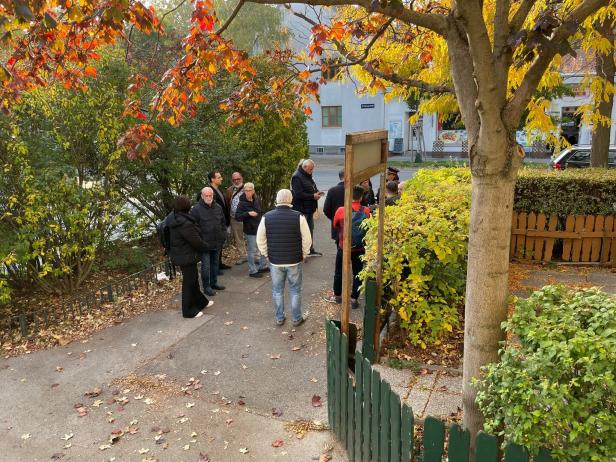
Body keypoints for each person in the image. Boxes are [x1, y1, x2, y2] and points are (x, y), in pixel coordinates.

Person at [257, 189, 312, 327]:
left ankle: (280, 318)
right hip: (294, 260)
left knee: (277, 290)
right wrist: (304, 254)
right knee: (295, 290)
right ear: (290, 199)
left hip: (275, 261)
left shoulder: (266, 217)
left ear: (277, 199)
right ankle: (296, 318)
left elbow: (260, 238)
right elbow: (307, 239)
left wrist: (266, 253)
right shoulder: (298, 216)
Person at [167, 195, 214, 318]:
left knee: (193, 280)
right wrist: (207, 246)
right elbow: (195, 241)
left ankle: (201, 302)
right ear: (186, 206)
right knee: (189, 282)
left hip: (182, 254)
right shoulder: (184, 223)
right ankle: (188, 311)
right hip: (186, 256)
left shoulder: (175, 218)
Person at [325, 185, 370, 309]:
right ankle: (354, 298)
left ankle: (338, 296)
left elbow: (335, 225)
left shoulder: (341, 210)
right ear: (360, 197)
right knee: (357, 272)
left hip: (344, 246)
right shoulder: (365, 210)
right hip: (360, 247)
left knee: (339, 271)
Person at [190, 187, 227, 297]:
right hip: (204, 244)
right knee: (206, 267)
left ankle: (214, 283)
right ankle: (206, 287)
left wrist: (223, 236)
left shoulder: (218, 207)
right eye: (206, 195)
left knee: (215, 265)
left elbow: (223, 223)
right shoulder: (196, 210)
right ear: (202, 196)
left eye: (210, 195)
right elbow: (193, 228)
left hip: (217, 242)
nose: (209, 197)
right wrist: (200, 242)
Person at [235, 182, 269, 278]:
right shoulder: (241, 203)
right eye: (246, 190)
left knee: (262, 248)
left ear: (253, 191)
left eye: (250, 190)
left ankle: (263, 266)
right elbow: (237, 217)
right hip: (250, 231)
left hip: (260, 228)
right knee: (251, 251)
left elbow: (260, 211)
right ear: (244, 191)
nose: (248, 192)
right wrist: (248, 214)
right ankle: (252, 271)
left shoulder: (256, 199)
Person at [291, 159, 323, 256]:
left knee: (310, 229)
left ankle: (309, 249)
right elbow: (298, 194)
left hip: (309, 208)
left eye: (312, 169)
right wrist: (312, 196)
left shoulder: (307, 175)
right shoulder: (297, 177)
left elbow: (312, 186)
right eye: (310, 169)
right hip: (302, 209)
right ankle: (302, 251)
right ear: (304, 167)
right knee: (303, 231)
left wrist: (317, 192)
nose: (311, 171)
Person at [208, 171, 232, 271]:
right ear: (212, 179)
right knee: (216, 246)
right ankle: (215, 268)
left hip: (222, 222)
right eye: (219, 177)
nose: (221, 179)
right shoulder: (209, 191)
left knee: (220, 245)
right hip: (215, 224)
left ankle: (219, 264)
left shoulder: (217, 190)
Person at [226, 171, 247, 264]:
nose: (237, 181)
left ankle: (255, 256)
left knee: (251, 237)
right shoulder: (229, 190)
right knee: (239, 238)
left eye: (238, 179)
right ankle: (243, 256)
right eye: (234, 179)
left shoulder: (248, 188)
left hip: (247, 218)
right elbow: (227, 203)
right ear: (232, 180)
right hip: (234, 218)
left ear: (242, 178)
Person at [323, 169, 345, 246]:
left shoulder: (332, 191)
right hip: (353, 225)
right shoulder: (354, 189)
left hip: (338, 225)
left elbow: (326, 209)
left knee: (339, 248)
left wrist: (334, 218)